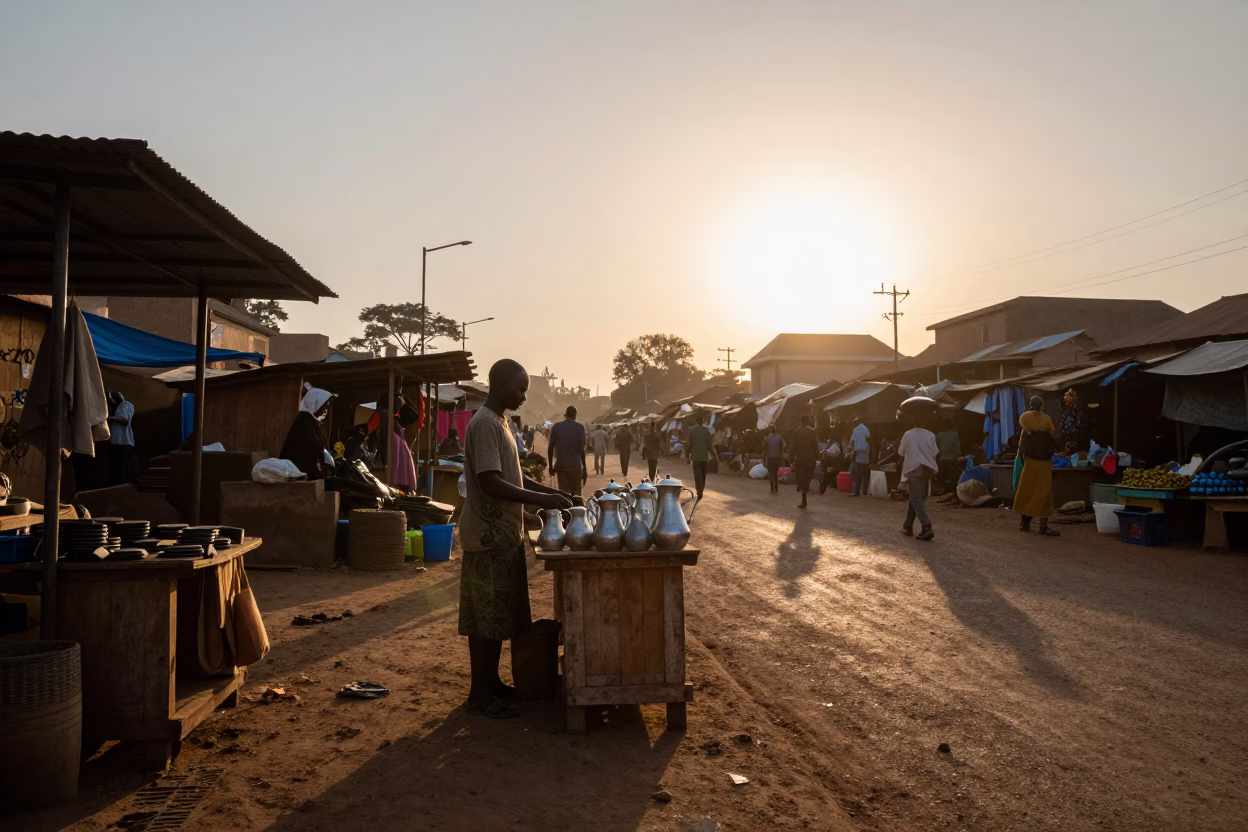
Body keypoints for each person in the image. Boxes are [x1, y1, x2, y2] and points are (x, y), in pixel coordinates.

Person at [460, 359, 575, 719]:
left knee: (496, 619)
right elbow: (490, 481)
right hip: (487, 535)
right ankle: (479, 694)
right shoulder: (484, 425)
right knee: (485, 620)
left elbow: (516, 480)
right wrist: (542, 501)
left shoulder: (501, 423)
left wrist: (556, 495)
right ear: (500, 384)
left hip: (503, 535)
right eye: (520, 388)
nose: (524, 395)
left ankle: (490, 683)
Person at [1014, 395, 1060, 536]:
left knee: (1027, 490)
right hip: (1044, 462)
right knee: (1044, 492)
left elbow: (1022, 443)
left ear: (1030, 405)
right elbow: (1050, 432)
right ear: (1042, 406)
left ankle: (1024, 523)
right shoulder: (1046, 419)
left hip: (1029, 461)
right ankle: (1043, 526)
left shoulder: (1025, 418)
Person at [280, 386, 336, 480]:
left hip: (306, 470)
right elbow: (310, 450)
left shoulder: (311, 421)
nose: (324, 410)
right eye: (324, 405)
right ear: (314, 402)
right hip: (298, 472)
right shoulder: (304, 422)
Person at [898, 414, 939, 540]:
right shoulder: (931, 435)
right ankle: (908, 526)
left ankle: (927, 527)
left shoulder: (908, 434)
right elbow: (935, 452)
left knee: (917, 499)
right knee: (916, 497)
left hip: (913, 469)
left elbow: (901, 451)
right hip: (927, 469)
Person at [547, 406, 587, 497]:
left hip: (561, 467)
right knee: (576, 495)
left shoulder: (556, 427)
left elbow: (550, 447)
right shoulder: (579, 427)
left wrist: (550, 466)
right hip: (575, 467)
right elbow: (581, 450)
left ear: (566, 415)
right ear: (575, 415)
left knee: (564, 495)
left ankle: (566, 510)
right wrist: (584, 469)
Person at [105, 391, 136, 486]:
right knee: (123, 468)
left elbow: (124, 419)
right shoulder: (125, 406)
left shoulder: (124, 405)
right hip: (124, 443)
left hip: (122, 442)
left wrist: (107, 418)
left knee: (122, 468)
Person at [790, 414, 820, 509]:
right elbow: (815, 446)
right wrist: (818, 457)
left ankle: (804, 499)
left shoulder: (796, 431)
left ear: (800, 421)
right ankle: (804, 499)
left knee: (801, 479)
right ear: (807, 421)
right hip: (810, 459)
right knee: (807, 479)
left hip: (800, 459)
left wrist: (791, 459)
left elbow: (793, 447)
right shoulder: (812, 431)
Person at [687, 414, 714, 500]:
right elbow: (710, 445)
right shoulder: (706, 431)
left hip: (695, 457)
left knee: (697, 475)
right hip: (704, 457)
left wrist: (687, 457)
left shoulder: (691, 430)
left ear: (696, 421)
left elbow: (689, 445)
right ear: (702, 422)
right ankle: (701, 490)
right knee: (703, 475)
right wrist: (715, 455)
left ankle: (699, 491)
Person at [848, 417, 872, 497]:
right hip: (865, 454)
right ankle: (864, 491)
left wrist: (852, 451)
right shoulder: (865, 429)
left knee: (855, 474)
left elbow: (852, 442)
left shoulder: (855, 430)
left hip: (857, 454)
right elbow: (868, 439)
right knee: (864, 474)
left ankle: (856, 492)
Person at [762, 426, 784, 494]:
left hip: (770, 458)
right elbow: (781, 450)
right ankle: (776, 487)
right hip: (777, 458)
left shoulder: (766, 439)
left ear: (770, 431)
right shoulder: (780, 438)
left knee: (771, 473)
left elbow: (765, 450)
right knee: (775, 473)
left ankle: (772, 487)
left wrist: (764, 460)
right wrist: (781, 459)